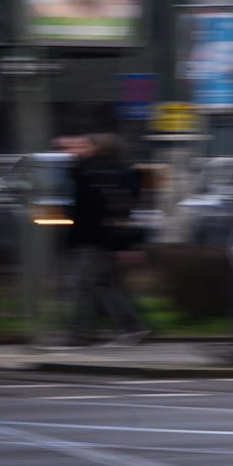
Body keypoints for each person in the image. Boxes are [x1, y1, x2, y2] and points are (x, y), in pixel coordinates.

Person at [61, 133, 150, 348]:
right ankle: (130, 327)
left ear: (97, 149)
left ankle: (79, 333)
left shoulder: (95, 173)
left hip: (96, 238)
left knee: (89, 285)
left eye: (84, 145)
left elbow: (90, 209)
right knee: (101, 284)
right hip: (102, 238)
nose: (77, 148)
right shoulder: (100, 170)